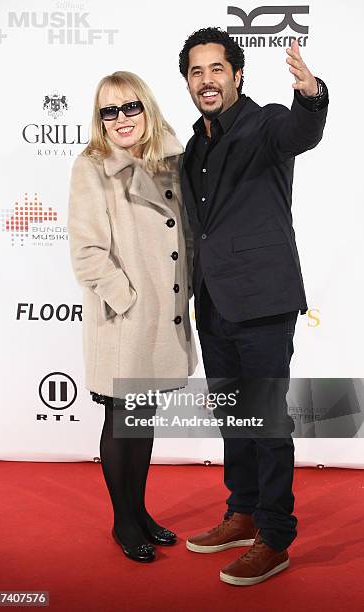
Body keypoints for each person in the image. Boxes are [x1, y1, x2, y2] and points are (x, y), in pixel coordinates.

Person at [178, 27, 328, 585]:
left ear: (237, 75)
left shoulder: (265, 122)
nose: (207, 80)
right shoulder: (195, 145)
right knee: (233, 416)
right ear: (189, 83)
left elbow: (302, 130)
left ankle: (274, 535)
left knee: (266, 420)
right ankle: (241, 513)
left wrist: (311, 96)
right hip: (213, 301)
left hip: (263, 300)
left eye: (217, 68)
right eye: (196, 72)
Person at [67, 71, 198, 563]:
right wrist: (129, 300)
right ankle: (123, 520)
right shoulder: (93, 166)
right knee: (122, 418)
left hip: (165, 317)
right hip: (125, 319)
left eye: (130, 108)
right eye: (109, 111)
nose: (121, 119)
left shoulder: (172, 161)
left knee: (142, 419)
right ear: (99, 119)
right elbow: (87, 252)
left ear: (147, 108)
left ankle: (139, 511)